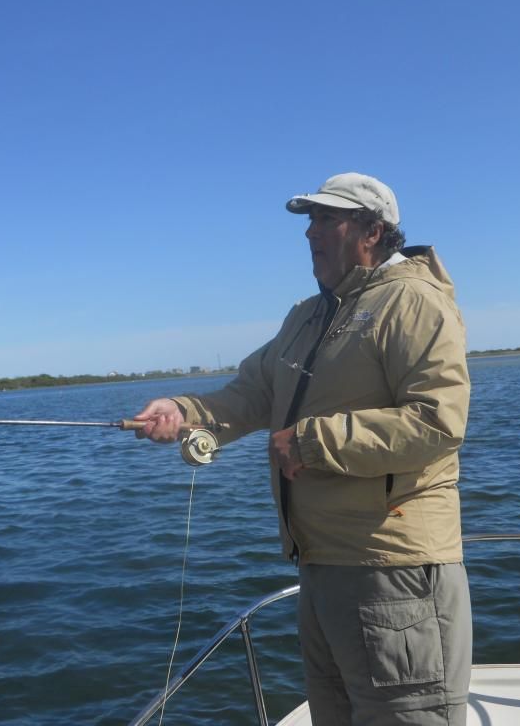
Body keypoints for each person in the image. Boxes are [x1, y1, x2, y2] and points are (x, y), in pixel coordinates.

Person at [135, 172, 471, 726]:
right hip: (320, 565)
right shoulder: (308, 315)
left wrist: (313, 441)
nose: (310, 233)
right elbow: (251, 394)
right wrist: (183, 412)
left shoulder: (413, 300)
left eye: (325, 219)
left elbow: (438, 421)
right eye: (309, 220)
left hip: (391, 567)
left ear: (372, 231)